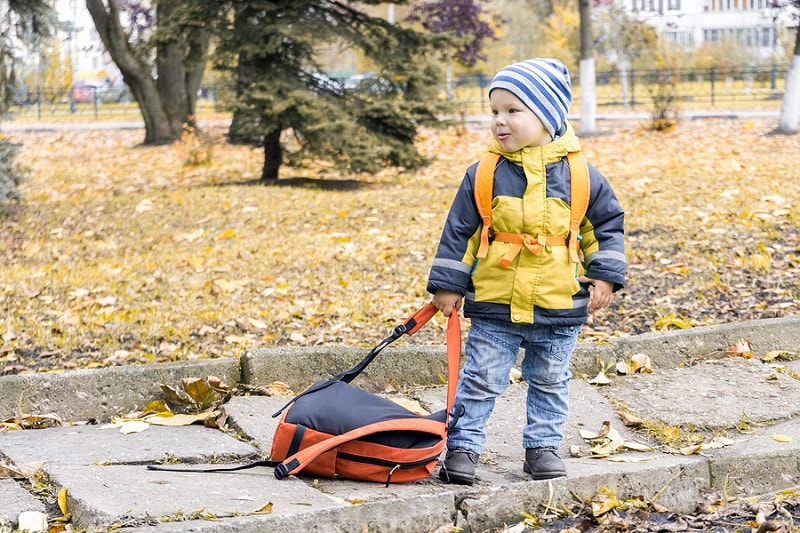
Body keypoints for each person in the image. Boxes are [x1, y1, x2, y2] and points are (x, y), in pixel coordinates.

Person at [427, 58, 626, 485]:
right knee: (480, 379)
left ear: (548, 115)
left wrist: (605, 274)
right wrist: (448, 284)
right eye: (494, 111)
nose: (500, 121)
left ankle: (542, 447)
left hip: (559, 306)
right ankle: (463, 448)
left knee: (550, 381)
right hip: (496, 303)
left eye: (513, 111)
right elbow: (460, 232)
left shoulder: (581, 177)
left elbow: (605, 227)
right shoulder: (484, 174)